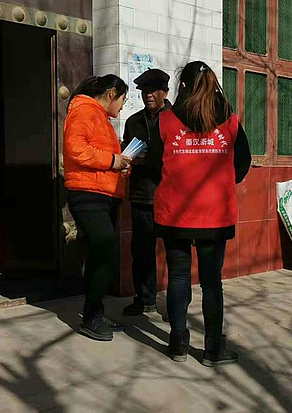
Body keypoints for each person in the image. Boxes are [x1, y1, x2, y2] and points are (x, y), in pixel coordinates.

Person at [146, 61, 252, 366]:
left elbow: (153, 166)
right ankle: (213, 349)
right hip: (215, 214)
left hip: (175, 214)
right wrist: (221, 183)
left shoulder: (166, 121)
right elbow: (242, 162)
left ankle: (178, 343)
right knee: (211, 283)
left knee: (178, 278)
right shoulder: (229, 120)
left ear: (182, 85)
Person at [63, 74, 132, 341]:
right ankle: (92, 316)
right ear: (112, 93)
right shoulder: (84, 111)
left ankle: (96, 312)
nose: (123, 106)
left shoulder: (99, 117)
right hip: (87, 194)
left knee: (100, 255)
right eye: (123, 99)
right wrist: (113, 161)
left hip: (103, 193)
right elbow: (76, 149)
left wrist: (120, 164)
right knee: (104, 251)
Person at [121, 69, 172, 316]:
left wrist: (150, 159)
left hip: (171, 196)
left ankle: (175, 305)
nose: (148, 95)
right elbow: (126, 149)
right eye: (144, 92)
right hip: (142, 195)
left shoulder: (177, 119)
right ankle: (144, 299)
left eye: (153, 91)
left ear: (165, 92)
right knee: (141, 252)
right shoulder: (133, 122)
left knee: (175, 253)